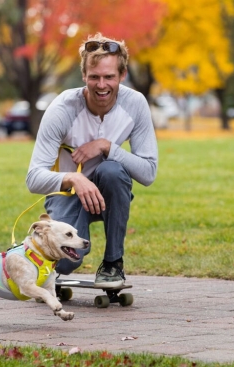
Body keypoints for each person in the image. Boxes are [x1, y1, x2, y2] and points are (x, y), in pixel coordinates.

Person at [26, 33, 158, 288]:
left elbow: (149, 172)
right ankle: (33, 252)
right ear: (84, 76)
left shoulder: (135, 104)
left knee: (112, 170)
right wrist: (74, 178)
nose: (101, 85)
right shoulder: (62, 108)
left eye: (109, 76)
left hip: (109, 192)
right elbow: (33, 178)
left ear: (122, 75)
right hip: (66, 195)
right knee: (66, 262)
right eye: (94, 77)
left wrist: (107, 147)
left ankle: (112, 264)